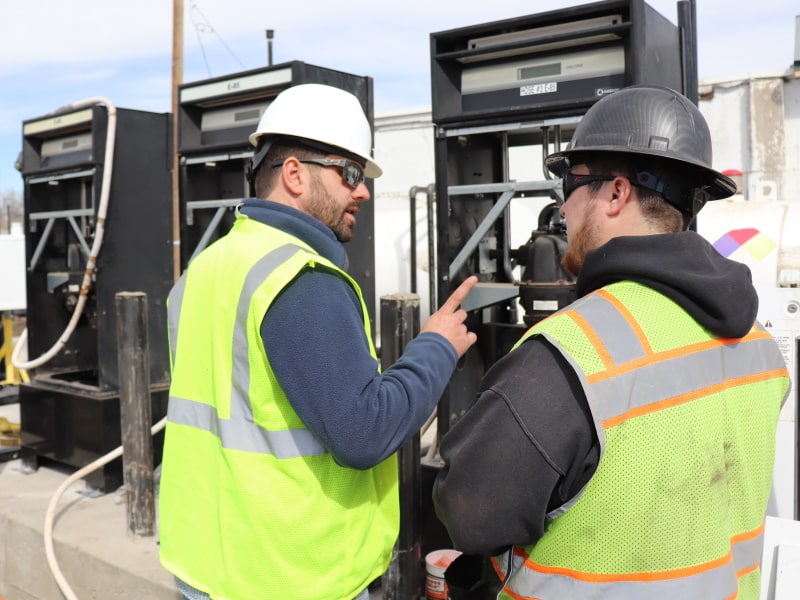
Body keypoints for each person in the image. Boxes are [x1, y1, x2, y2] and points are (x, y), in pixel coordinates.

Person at [432, 84, 789, 600]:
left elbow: (469, 512)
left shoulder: (569, 355)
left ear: (616, 193)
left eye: (569, 188)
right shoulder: (758, 346)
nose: (563, 210)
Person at [158, 83, 478, 600]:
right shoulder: (301, 278)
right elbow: (363, 432)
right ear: (293, 174)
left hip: (206, 564)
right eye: (350, 173)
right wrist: (435, 348)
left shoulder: (206, 267)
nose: (363, 192)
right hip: (290, 577)